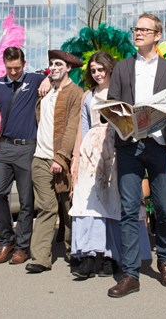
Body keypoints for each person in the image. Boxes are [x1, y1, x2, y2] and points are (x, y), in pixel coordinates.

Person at [106, 13, 166, 298]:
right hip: (128, 144)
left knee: (165, 208)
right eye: (135, 29)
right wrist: (116, 114)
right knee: (129, 210)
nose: (137, 33)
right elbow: (112, 102)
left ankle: (164, 260)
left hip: (158, 143)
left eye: (143, 29)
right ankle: (130, 274)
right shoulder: (123, 68)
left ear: (157, 35)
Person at [0, 47, 47, 265]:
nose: (13, 72)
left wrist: (48, 80)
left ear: (24, 63)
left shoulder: (36, 79)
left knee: (26, 199)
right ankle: (5, 240)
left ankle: (22, 247)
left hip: (28, 147)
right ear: (4, 65)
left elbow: (58, 76)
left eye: (17, 68)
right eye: (9, 68)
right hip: (5, 147)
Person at [25, 50, 83, 273]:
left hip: (63, 159)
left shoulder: (76, 93)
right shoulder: (45, 90)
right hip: (40, 158)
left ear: (69, 68)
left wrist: (61, 157)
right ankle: (40, 257)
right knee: (46, 207)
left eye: (59, 64)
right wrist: (46, 79)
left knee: (69, 207)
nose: (55, 67)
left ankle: (74, 251)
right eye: (51, 64)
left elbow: (72, 127)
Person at [68, 51, 121, 279]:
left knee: (112, 201)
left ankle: (111, 255)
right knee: (85, 201)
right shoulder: (88, 96)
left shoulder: (121, 91)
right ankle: (89, 255)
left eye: (101, 69)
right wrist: (76, 158)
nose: (98, 74)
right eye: (93, 70)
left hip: (115, 148)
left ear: (110, 68)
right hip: (90, 149)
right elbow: (83, 127)